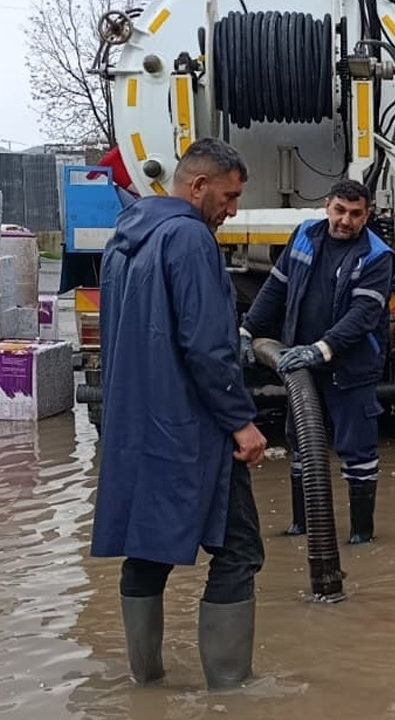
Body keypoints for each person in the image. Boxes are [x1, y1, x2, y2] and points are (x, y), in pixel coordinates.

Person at [90, 137, 269, 690]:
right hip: (192, 428)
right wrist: (241, 421)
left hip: (135, 426)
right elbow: (207, 347)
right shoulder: (190, 239)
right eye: (230, 195)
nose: (233, 209)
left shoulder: (123, 240)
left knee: (146, 550)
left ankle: (146, 682)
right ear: (198, 186)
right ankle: (231, 690)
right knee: (239, 549)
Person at [240, 179, 395, 544]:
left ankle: (361, 534)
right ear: (327, 205)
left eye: (356, 214)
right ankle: (301, 526)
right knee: (302, 443)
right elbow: (276, 288)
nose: (345, 220)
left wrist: (322, 349)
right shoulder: (305, 235)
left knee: (357, 450)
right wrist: (247, 332)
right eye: (340, 210)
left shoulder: (377, 256)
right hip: (302, 367)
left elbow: (362, 316)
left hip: (351, 370)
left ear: (367, 215)